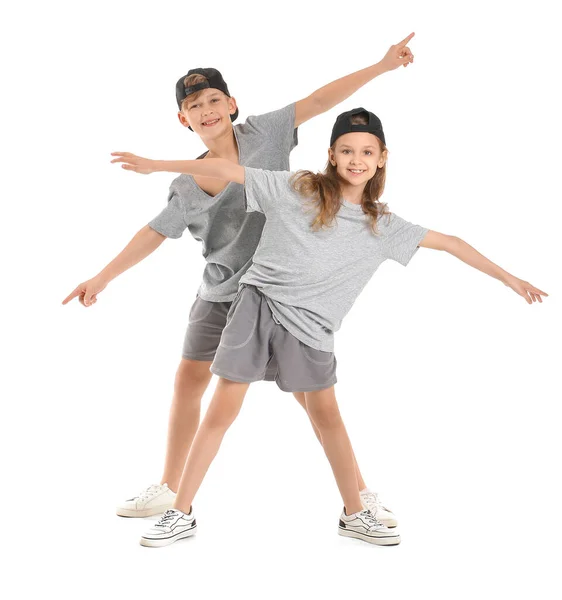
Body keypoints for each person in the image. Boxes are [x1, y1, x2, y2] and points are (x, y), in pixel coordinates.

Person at [110, 108, 547, 548]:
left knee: (327, 419)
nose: (356, 159)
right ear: (332, 156)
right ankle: (179, 512)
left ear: (381, 159)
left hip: (312, 329)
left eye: (366, 152)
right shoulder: (299, 187)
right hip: (257, 306)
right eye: (346, 150)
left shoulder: (384, 226)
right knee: (223, 408)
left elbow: (452, 244)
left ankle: (355, 512)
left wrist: (511, 279)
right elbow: (226, 169)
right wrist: (157, 165)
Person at [62, 35, 416, 525]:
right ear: (183, 119)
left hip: (280, 292)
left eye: (213, 100)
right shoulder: (185, 183)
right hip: (221, 291)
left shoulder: (266, 134)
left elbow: (318, 100)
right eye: (194, 105)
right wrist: (102, 277)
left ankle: (359, 494)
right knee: (188, 379)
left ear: (231, 105)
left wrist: (380, 66)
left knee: (315, 400)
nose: (206, 110)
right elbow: (154, 232)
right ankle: (169, 488)